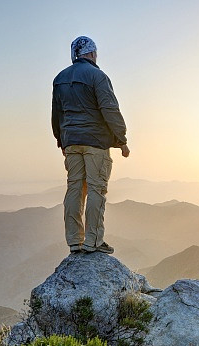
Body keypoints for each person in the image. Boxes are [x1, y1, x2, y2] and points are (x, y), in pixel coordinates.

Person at [52, 36, 130, 254]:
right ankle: (93, 241)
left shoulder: (59, 78)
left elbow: (56, 114)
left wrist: (61, 140)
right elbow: (109, 109)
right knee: (96, 188)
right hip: (95, 141)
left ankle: (74, 241)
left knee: (75, 188)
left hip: (71, 142)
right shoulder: (97, 76)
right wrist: (122, 140)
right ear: (93, 53)